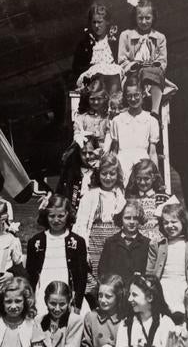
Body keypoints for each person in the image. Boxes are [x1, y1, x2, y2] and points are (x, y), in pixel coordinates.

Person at [72, 152, 126, 299]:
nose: (108, 177)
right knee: (94, 278)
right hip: (95, 242)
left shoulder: (121, 195)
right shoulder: (91, 195)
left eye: (112, 173)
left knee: (113, 277)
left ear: (117, 174)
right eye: (104, 173)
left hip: (114, 242)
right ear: (98, 174)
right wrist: (84, 250)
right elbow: (81, 225)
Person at [26, 193, 89, 316]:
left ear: (68, 215)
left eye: (61, 216)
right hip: (43, 289)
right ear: (46, 216)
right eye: (52, 216)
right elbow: (30, 274)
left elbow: (82, 277)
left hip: (68, 291)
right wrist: (30, 300)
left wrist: (77, 305)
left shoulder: (77, 241)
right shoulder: (36, 241)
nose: (56, 220)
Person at [57, 76, 112, 208]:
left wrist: (102, 151)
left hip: (103, 153)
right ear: (87, 99)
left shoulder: (108, 118)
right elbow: (77, 135)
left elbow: (110, 136)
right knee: (71, 160)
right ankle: (68, 197)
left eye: (99, 98)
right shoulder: (82, 118)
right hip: (85, 151)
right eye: (93, 99)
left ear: (105, 99)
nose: (96, 102)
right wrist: (82, 139)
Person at [146, 200, 188, 316]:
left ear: (183, 222)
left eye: (174, 222)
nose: (170, 226)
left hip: (185, 286)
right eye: (166, 223)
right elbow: (149, 271)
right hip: (163, 286)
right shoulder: (157, 245)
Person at [117, 0, 168, 114]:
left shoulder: (160, 37)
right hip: (132, 75)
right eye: (140, 18)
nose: (144, 22)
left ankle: (155, 111)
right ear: (135, 18)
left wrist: (153, 65)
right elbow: (121, 61)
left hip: (153, 76)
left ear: (153, 18)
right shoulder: (126, 35)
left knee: (155, 73)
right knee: (139, 76)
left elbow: (163, 62)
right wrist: (135, 65)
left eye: (148, 18)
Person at [109, 77, 159, 184]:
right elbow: (114, 151)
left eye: (136, 95)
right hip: (122, 165)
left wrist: (156, 176)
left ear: (143, 94)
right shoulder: (117, 120)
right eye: (129, 96)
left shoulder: (151, 120)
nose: (133, 99)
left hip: (142, 166)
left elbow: (152, 152)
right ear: (125, 97)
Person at [70, 3, 120, 96]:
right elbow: (76, 67)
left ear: (107, 22)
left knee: (115, 72)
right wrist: (93, 68)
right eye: (94, 22)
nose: (97, 25)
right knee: (98, 73)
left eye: (100, 22)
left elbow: (119, 61)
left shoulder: (113, 41)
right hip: (90, 79)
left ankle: (113, 102)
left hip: (112, 78)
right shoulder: (84, 43)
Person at [98, 199, 151, 287]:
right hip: (114, 292)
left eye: (135, 218)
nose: (131, 222)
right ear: (120, 219)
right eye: (127, 218)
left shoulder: (146, 243)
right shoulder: (111, 242)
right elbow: (102, 271)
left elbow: (148, 273)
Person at [123, 158, 169, 243]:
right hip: (136, 241)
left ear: (154, 178)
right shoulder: (132, 199)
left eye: (146, 179)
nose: (142, 182)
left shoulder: (163, 198)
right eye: (139, 179)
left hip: (157, 241)